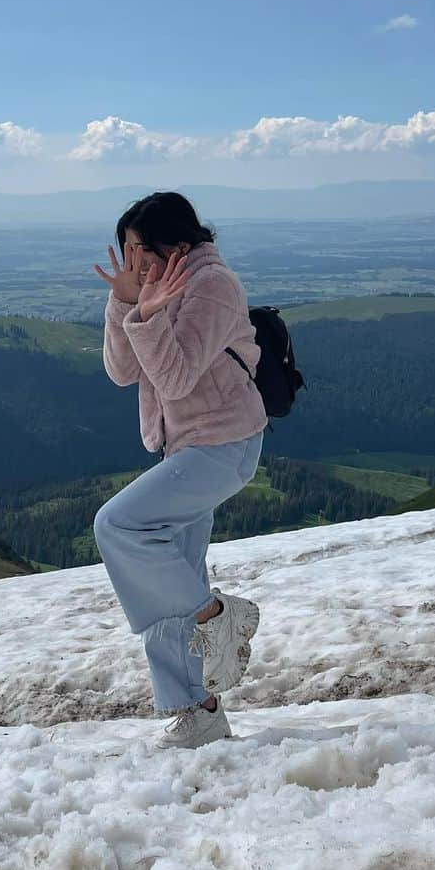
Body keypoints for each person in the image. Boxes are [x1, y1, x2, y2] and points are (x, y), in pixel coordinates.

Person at [92, 191, 267, 749]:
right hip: (185, 449)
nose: (134, 265)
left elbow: (175, 378)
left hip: (225, 444)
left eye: (140, 252)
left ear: (178, 246)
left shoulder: (213, 287)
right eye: (126, 253)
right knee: (171, 582)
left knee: (118, 526)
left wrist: (145, 313)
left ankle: (218, 615)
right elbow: (122, 373)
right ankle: (201, 715)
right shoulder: (150, 289)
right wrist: (125, 306)